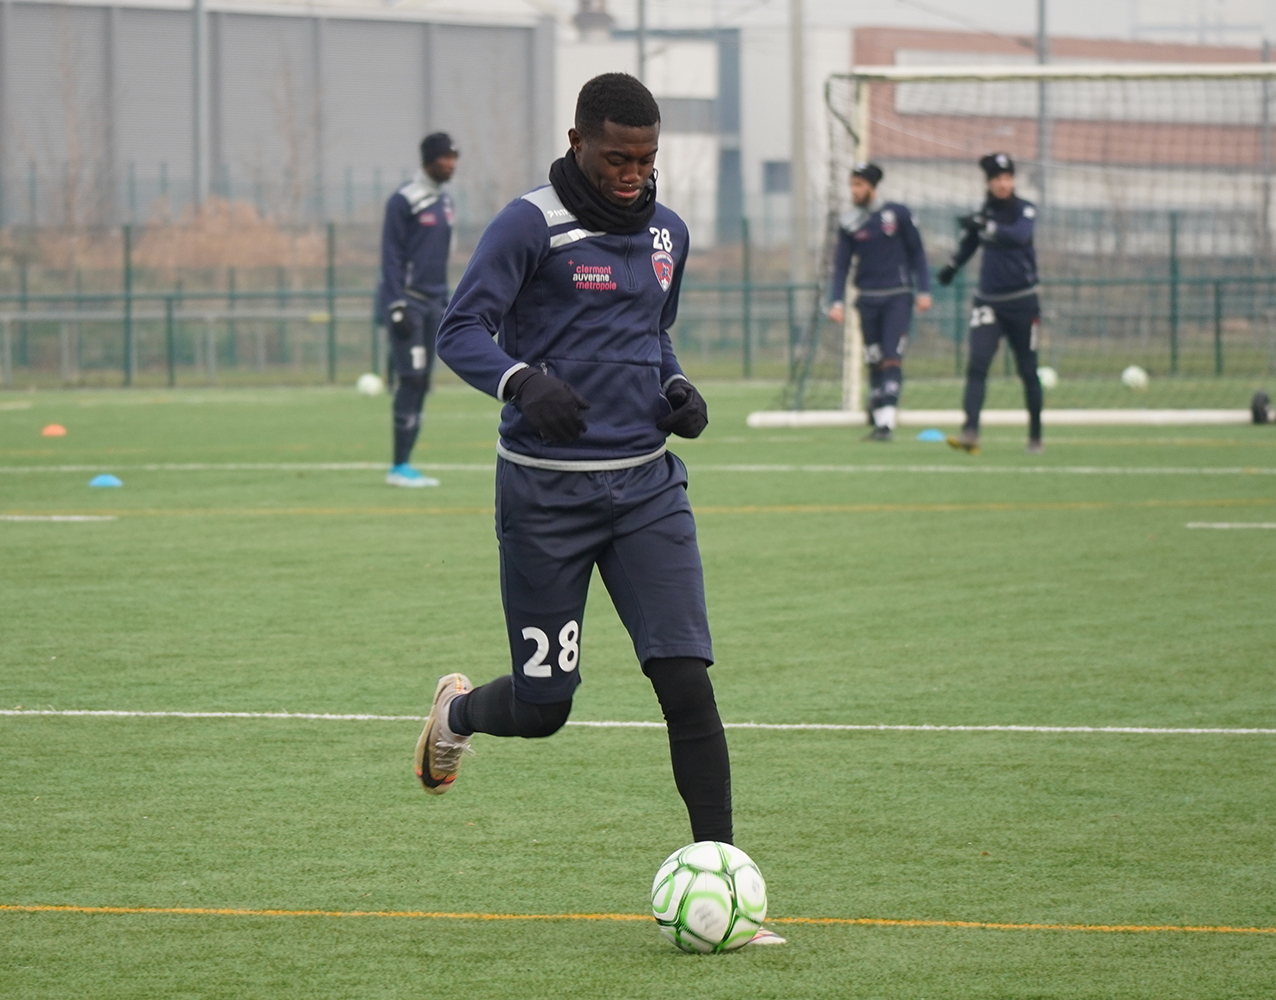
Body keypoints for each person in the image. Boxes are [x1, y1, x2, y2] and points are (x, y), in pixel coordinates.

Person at [419, 74, 782, 944]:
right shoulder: (528, 224)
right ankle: (457, 714)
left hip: (647, 491)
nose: (634, 174)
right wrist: (520, 379)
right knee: (546, 708)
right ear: (578, 139)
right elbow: (459, 328)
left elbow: (653, 333)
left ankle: (725, 882)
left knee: (685, 682)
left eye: (648, 158)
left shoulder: (668, 232)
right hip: (546, 496)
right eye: (618, 157)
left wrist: (678, 386)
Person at [934, 152, 1044, 455]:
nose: (1003, 184)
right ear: (989, 182)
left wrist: (987, 225)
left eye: (1007, 178)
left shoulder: (1025, 210)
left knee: (1027, 370)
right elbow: (971, 242)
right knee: (977, 365)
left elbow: (1019, 236)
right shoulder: (983, 212)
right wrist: (951, 267)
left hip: (1023, 302)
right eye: (997, 178)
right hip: (988, 303)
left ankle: (1035, 436)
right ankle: (970, 431)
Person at [825, 162, 931, 441]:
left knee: (891, 356)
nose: (854, 190)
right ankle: (878, 413)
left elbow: (918, 253)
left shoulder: (897, 214)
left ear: (872, 186)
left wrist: (924, 290)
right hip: (867, 299)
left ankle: (887, 422)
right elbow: (841, 266)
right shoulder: (850, 222)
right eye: (852, 185)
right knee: (873, 358)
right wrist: (836, 301)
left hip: (897, 296)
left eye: (859, 185)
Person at [378, 131, 459, 487]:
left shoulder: (446, 203)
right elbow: (391, 255)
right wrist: (396, 303)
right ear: (429, 160)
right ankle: (398, 467)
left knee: (422, 380)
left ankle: (406, 465)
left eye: (455, 157)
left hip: (435, 303)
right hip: (408, 301)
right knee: (410, 379)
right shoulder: (404, 200)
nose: (451, 164)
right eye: (445, 157)